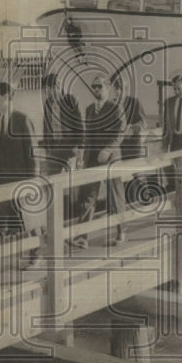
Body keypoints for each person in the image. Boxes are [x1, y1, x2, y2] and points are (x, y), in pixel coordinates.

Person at [0, 82, 39, 276]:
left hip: (22, 182)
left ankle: (35, 256)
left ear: (6, 97)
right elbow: (0, 154)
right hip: (2, 182)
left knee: (28, 223)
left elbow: (32, 154)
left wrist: (32, 183)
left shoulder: (22, 119)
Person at [77, 77, 127, 246]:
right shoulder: (90, 109)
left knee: (115, 194)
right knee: (88, 195)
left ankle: (121, 231)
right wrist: (82, 157)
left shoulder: (115, 108)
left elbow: (120, 132)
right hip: (92, 158)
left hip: (110, 157)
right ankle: (83, 237)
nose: (96, 89)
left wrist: (107, 150)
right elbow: (87, 136)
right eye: (94, 86)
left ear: (107, 88)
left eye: (99, 86)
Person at [40, 73, 83, 225]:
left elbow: (80, 126)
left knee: (72, 187)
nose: (46, 92)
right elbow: (46, 128)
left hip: (70, 150)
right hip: (54, 151)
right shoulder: (47, 104)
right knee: (52, 186)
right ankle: (56, 224)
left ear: (56, 87)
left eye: (47, 89)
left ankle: (74, 222)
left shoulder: (70, 100)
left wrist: (79, 151)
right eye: (45, 89)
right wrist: (47, 149)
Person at [112, 76, 147, 205]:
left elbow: (143, 122)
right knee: (123, 180)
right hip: (119, 149)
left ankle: (146, 204)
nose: (119, 92)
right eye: (117, 89)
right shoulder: (112, 105)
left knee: (139, 178)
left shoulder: (135, 102)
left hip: (134, 147)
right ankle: (127, 210)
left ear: (125, 90)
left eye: (121, 89)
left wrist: (132, 128)